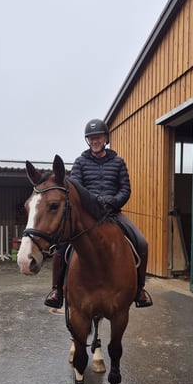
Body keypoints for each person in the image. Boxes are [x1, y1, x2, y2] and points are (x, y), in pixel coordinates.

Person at [44, 118, 154, 309]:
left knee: (142, 242)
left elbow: (125, 189)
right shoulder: (80, 162)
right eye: (91, 138)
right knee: (61, 246)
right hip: (88, 214)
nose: (95, 141)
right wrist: (94, 201)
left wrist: (113, 201)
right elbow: (76, 187)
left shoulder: (119, 162)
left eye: (98, 137)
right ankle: (57, 290)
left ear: (105, 138)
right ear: (88, 140)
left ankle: (139, 290)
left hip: (112, 213)